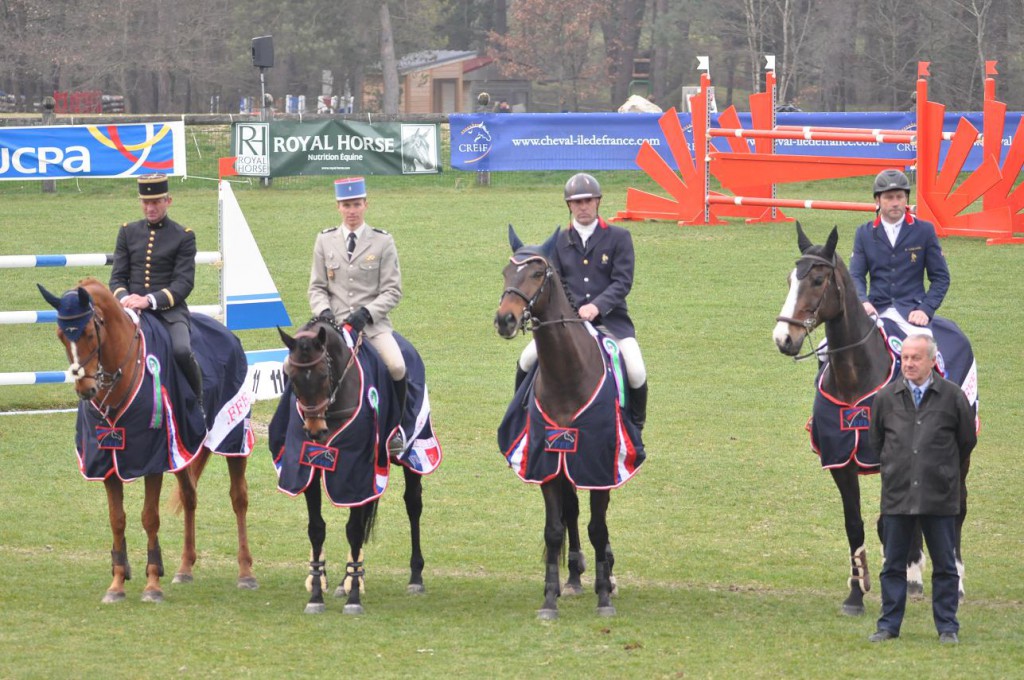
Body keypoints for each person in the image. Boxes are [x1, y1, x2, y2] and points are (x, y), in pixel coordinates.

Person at [515, 172, 648, 429]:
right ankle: (520, 417)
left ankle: (635, 426)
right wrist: (573, 310)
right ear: (569, 205)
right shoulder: (558, 242)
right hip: (567, 323)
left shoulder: (619, 237)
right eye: (577, 202)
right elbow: (555, 284)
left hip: (611, 322)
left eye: (588, 200)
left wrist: (596, 306)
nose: (583, 206)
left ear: (598, 201)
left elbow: (622, 282)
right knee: (526, 359)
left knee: (635, 368)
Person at [867, 334, 976, 644]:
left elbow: (966, 440)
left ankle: (947, 628)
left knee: (944, 566)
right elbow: (877, 443)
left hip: (939, 496)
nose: (909, 364)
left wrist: (940, 470)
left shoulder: (953, 397)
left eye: (916, 358)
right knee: (892, 566)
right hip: (898, 495)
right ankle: (888, 626)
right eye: (905, 358)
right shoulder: (885, 398)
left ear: (932, 361)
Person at [309, 177, 407, 448]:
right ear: (338, 207)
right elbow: (317, 287)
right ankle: (291, 426)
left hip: (371, 327)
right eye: (346, 205)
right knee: (292, 365)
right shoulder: (324, 240)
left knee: (397, 365)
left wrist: (366, 313)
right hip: (332, 326)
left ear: (366, 205)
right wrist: (324, 312)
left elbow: (392, 291)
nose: (351, 210)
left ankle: (397, 429)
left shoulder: (382, 242)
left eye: (356, 204)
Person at [109, 174, 204, 409]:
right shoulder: (127, 232)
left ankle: (197, 403)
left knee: (182, 351)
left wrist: (149, 300)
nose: (150, 208)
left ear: (168, 201)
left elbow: (183, 284)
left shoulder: (183, 236)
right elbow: (117, 278)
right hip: (130, 310)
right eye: (145, 202)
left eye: (156, 202)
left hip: (169, 311)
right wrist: (125, 299)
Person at [849, 169, 950, 327]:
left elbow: (941, 278)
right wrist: (863, 301)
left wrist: (925, 309)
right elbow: (855, 275)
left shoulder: (925, 231)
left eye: (900, 197)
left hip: (913, 312)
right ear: (877, 200)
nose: (895, 203)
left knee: (920, 350)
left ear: (906, 199)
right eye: (889, 198)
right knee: (828, 347)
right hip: (875, 310)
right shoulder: (864, 233)